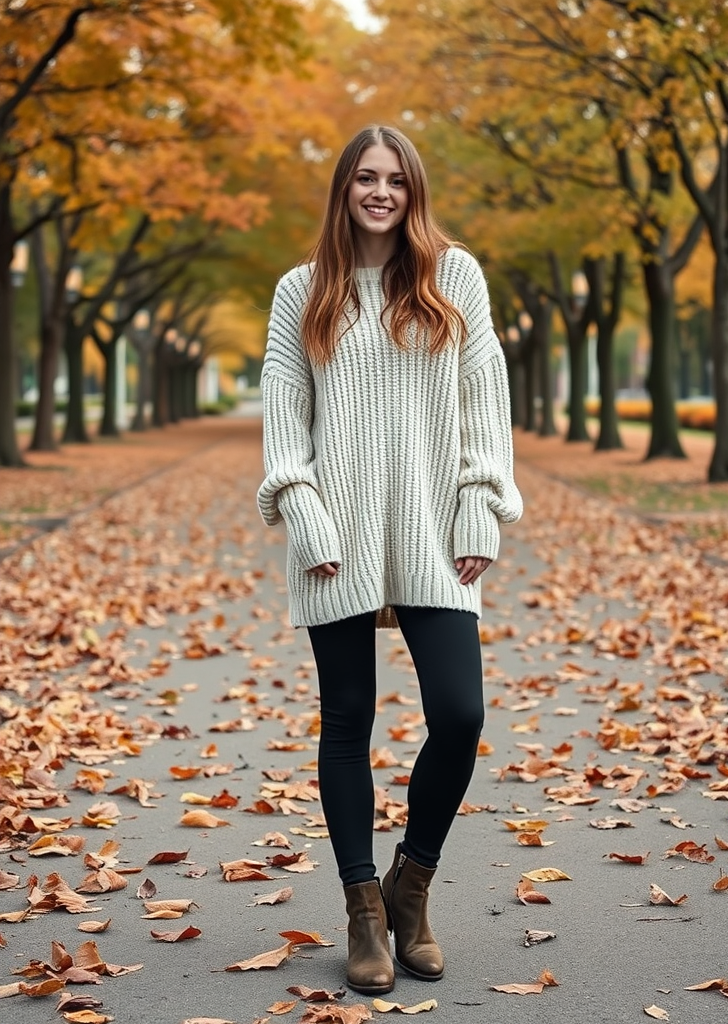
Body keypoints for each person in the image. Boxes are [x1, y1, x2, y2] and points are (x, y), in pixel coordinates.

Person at [257, 124, 523, 995]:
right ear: (344, 188)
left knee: (460, 713)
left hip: (434, 526)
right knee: (348, 718)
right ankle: (363, 910)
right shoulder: (303, 290)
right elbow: (284, 414)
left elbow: (484, 398)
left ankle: (413, 884)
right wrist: (303, 511)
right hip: (336, 532)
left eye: (396, 179)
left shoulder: (455, 276)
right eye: (366, 178)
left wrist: (481, 501)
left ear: (414, 191)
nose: (381, 192)